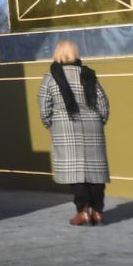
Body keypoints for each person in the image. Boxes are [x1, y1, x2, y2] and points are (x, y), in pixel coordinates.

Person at [38, 40, 112, 226]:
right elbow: (103, 104)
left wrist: (52, 125)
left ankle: (83, 211)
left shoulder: (51, 77)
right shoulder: (88, 75)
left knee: (75, 172)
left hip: (65, 127)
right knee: (95, 172)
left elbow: (44, 106)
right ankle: (97, 211)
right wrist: (98, 121)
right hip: (92, 127)